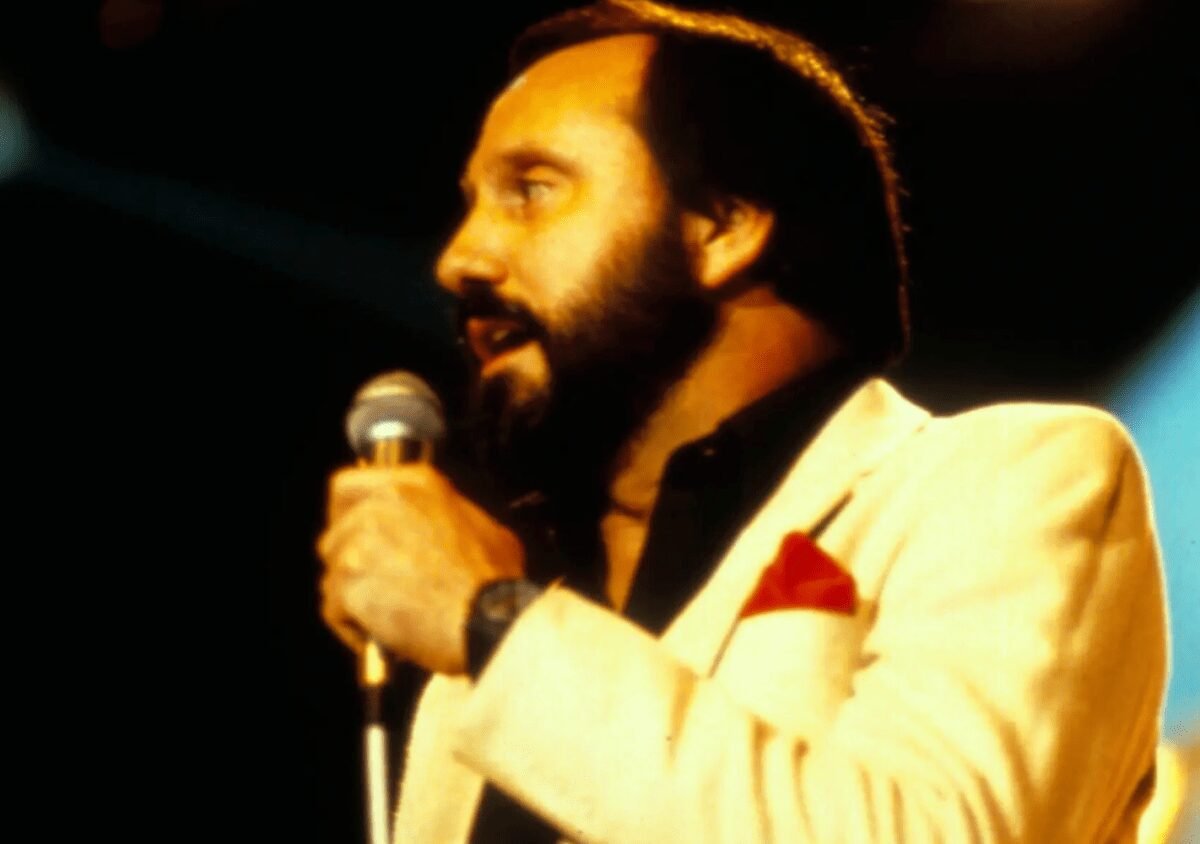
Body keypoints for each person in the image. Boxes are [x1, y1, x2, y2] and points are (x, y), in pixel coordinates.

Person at [316, 1, 1168, 840]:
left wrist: (488, 621)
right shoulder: (514, 627)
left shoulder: (1008, 480)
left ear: (724, 226)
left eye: (532, 191)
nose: (459, 259)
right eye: (473, 202)